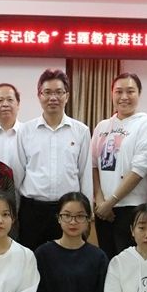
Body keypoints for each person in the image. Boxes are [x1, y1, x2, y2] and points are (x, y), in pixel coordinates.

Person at [91, 73, 147, 292]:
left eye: (130, 91)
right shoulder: (103, 126)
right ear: (111, 93)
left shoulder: (146, 124)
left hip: (132, 210)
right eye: (119, 90)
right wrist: (99, 201)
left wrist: (112, 201)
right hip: (104, 212)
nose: (124, 96)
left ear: (139, 94)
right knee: (112, 277)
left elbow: (140, 168)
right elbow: (94, 166)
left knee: (133, 278)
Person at [17, 69, 93, 251]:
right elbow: (18, 173)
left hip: (68, 212)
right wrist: (15, 211)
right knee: (31, 260)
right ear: (39, 96)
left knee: (66, 261)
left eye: (59, 92)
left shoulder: (81, 131)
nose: (53, 98)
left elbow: (85, 175)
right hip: (32, 211)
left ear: (67, 96)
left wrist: (87, 215)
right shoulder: (25, 131)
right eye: (47, 92)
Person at [0, 82, 24, 191]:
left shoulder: (28, 133)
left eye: (10, 100)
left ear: (18, 104)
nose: (5, 104)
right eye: (0, 100)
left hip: (23, 197)